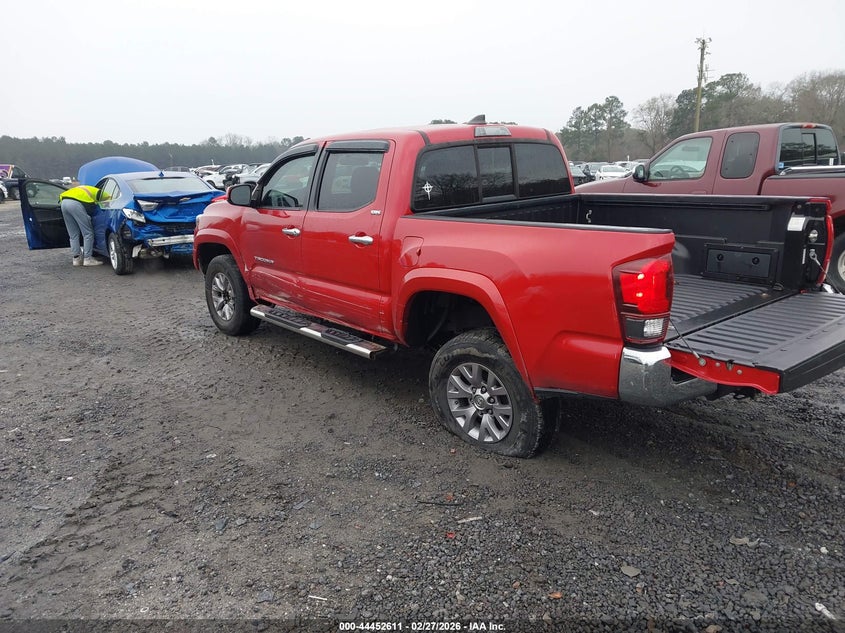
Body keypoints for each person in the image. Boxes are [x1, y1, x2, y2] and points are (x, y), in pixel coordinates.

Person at [59, 184, 103, 266]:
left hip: (64, 203)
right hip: (75, 204)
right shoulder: (100, 193)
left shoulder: (82, 189)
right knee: (88, 233)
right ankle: (88, 259)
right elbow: (104, 202)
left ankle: (76, 259)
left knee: (73, 235)